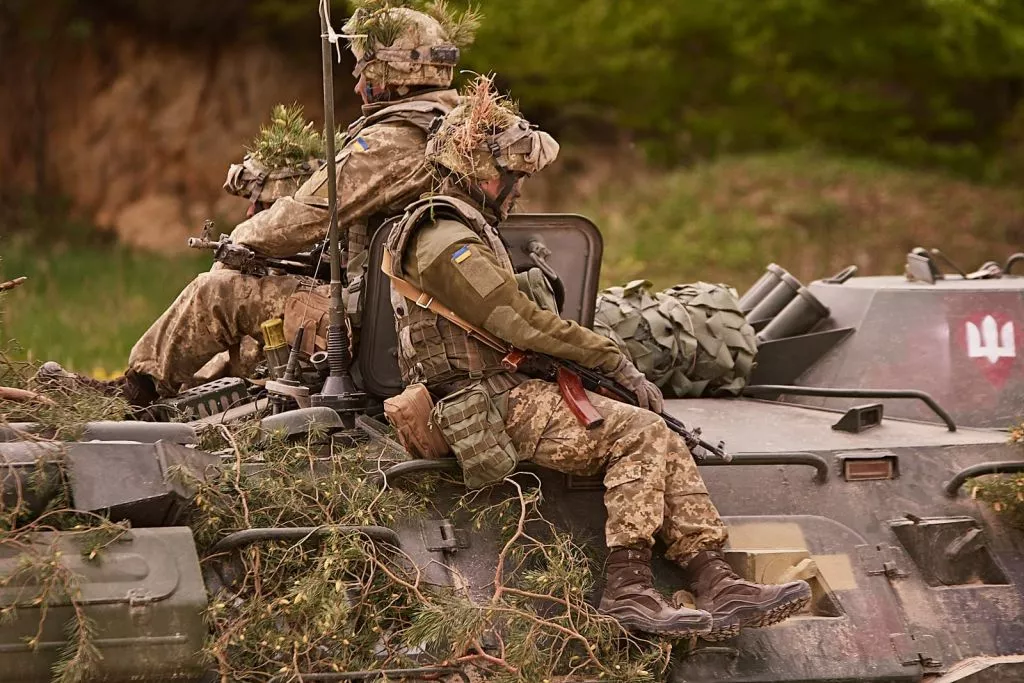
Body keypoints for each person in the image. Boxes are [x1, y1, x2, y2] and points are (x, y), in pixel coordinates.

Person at [382, 76, 812, 640]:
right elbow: (515, 320)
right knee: (637, 433)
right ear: (484, 173)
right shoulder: (441, 238)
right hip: (483, 405)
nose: (518, 190)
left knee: (660, 431)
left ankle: (716, 578)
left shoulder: (462, 227)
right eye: (515, 177)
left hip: (505, 392)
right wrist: (612, 359)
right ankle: (628, 591)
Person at [52, 3, 477, 405]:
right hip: (417, 328)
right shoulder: (455, 135)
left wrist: (237, 242)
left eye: (364, 71)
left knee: (220, 291)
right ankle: (200, 388)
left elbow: (303, 218)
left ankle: (135, 390)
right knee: (269, 285)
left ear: (389, 73)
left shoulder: (390, 143)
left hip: (366, 328)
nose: (356, 85)